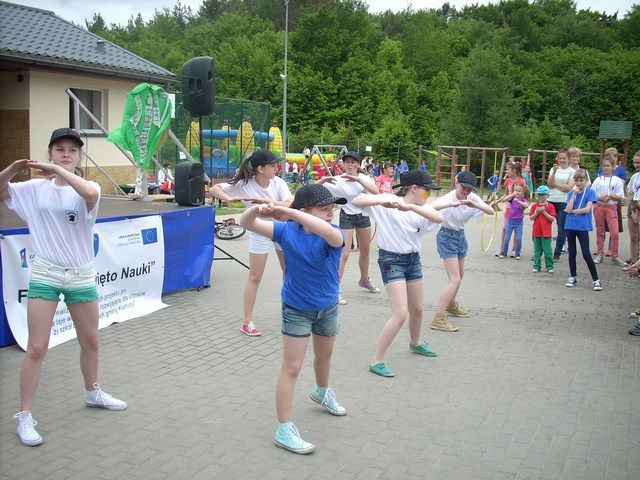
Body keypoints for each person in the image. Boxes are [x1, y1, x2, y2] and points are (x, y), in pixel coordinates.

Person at [1, 128, 127, 447]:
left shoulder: (88, 187)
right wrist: (12, 170)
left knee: (91, 340)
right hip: (45, 272)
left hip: (80, 274)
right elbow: (2, 189)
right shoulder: (33, 190)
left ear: (79, 156)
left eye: (72, 149)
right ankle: (25, 415)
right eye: (59, 149)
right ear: (50, 152)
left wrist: (56, 170)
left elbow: (89, 195)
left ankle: (93, 392)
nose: (66, 154)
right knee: (37, 347)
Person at [239, 184, 347, 454]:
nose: (330, 213)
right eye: (324, 209)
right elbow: (246, 223)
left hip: (328, 307)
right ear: (306, 210)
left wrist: (289, 211)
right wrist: (258, 209)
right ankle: (284, 429)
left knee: (324, 356)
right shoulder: (285, 231)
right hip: (296, 308)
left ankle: (322, 391)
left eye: (332, 208)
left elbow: (327, 232)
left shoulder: (334, 234)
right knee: (291, 367)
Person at [351, 170, 445, 377]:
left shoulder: (422, 208)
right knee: (401, 313)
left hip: (413, 260)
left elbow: (439, 218)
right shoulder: (388, 203)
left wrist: (410, 207)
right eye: (427, 190)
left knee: (417, 309)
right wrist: (382, 200)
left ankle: (415, 342)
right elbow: (357, 200)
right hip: (391, 261)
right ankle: (377, 360)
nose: (428, 194)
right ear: (413, 189)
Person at [209, 150, 294, 336]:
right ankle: (247, 322)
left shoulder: (278, 182)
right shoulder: (244, 184)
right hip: (259, 229)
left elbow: (290, 204)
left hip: (282, 228)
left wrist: (268, 201)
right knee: (255, 276)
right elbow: (214, 189)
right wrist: (228, 198)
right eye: (272, 165)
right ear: (260, 169)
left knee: (289, 273)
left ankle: (291, 313)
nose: (276, 168)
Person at [430, 171, 495, 332]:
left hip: (460, 235)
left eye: (469, 189)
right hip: (446, 236)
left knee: (460, 274)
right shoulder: (449, 197)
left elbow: (491, 211)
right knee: (455, 279)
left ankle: (451, 304)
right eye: (463, 187)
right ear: (456, 182)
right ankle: (438, 317)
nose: (466, 192)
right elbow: (431, 207)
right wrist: (451, 205)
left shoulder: (472, 198)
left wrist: (475, 205)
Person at [317, 151, 380, 304]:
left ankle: (364, 279)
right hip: (346, 216)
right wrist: (322, 180)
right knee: (344, 253)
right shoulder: (338, 180)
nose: (350, 165)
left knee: (365, 250)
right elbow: (312, 190)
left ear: (358, 164)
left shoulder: (364, 178)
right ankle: (334, 289)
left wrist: (358, 179)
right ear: (343, 164)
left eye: (353, 162)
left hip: (363, 215)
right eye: (347, 162)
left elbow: (376, 191)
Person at [564, 169, 602, 291]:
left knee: (586, 253)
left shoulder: (590, 192)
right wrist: (574, 195)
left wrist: (574, 211)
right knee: (572, 252)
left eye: (581, 180)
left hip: (582, 226)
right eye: (577, 180)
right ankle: (573, 276)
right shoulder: (571, 193)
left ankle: (596, 279)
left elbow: (587, 209)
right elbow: (567, 209)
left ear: (586, 181)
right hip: (570, 225)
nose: (579, 183)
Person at [591, 155, 625, 265]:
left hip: (611, 207)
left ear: (613, 167)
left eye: (608, 166)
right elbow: (592, 193)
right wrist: (599, 197)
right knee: (600, 231)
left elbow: (620, 196)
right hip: (599, 207)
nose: (606, 168)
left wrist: (610, 196)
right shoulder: (598, 180)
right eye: (604, 166)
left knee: (614, 232)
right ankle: (600, 253)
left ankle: (615, 255)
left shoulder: (617, 180)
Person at [547, 149, 575, 261]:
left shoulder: (572, 171)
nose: (562, 160)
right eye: (560, 158)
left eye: (564, 158)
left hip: (563, 202)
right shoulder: (553, 169)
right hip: (550, 199)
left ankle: (557, 253)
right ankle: (542, 251)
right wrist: (554, 174)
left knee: (561, 228)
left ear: (568, 159)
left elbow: (569, 187)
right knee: (545, 225)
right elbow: (549, 184)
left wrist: (555, 184)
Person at [495, 162, 526, 257]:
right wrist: (498, 200)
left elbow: (525, 195)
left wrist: (523, 205)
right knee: (504, 228)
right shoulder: (507, 181)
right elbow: (506, 194)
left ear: (514, 170)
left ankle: (514, 249)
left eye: (508, 169)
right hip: (509, 208)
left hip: (517, 208)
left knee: (516, 230)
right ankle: (502, 248)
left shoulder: (521, 181)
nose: (506, 171)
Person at [497, 184, 529, 260]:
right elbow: (504, 199)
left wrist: (518, 201)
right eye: (515, 190)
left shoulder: (524, 199)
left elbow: (526, 205)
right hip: (510, 221)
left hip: (519, 223)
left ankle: (517, 254)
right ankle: (503, 252)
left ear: (523, 192)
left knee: (519, 238)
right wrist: (512, 194)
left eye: (519, 191)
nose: (517, 192)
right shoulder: (512, 198)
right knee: (506, 238)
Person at [529, 185, 556, 273]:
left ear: (547, 196)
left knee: (547, 251)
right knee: (537, 251)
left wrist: (544, 212)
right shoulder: (534, 206)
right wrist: (537, 212)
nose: (540, 197)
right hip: (536, 232)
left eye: (542, 195)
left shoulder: (550, 206)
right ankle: (536, 266)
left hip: (546, 233)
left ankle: (550, 266)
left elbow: (552, 219)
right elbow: (531, 218)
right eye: (539, 195)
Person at [624, 151, 640, 269]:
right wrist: (630, 199)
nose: (636, 165)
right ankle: (634, 262)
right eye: (635, 162)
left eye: (638, 162)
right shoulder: (635, 176)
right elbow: (629, 190)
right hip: (634, 204)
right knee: (633, 236)